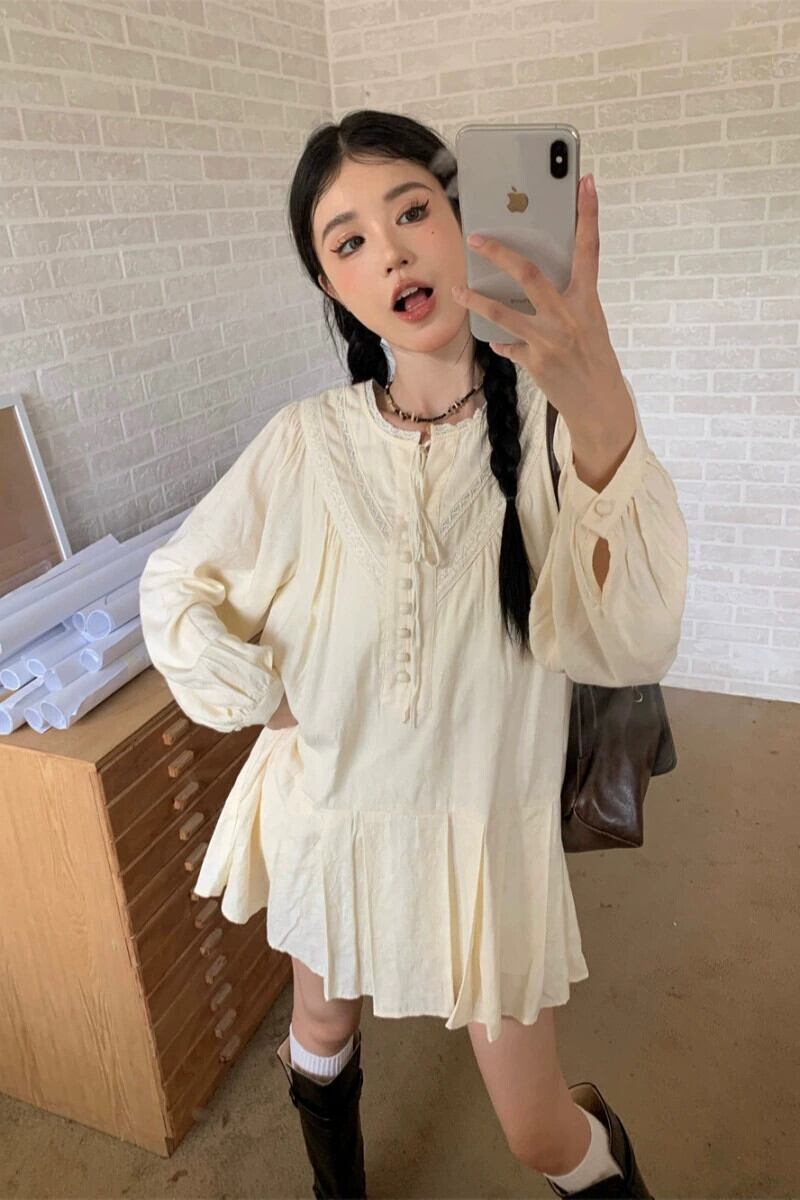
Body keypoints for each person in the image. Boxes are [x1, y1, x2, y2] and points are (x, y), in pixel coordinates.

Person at [139, 109, 688, 1199]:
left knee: (537, 1131)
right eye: (348, 240)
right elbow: (176, 585)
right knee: (318, 1030)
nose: (388, 252)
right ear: (331, 285)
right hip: (329, 817)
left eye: (411, 211)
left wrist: (601, 405)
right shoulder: (305, 441)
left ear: (461, 219)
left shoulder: (553, 427)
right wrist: (261, 692)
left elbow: (633, 635)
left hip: (484, 833)